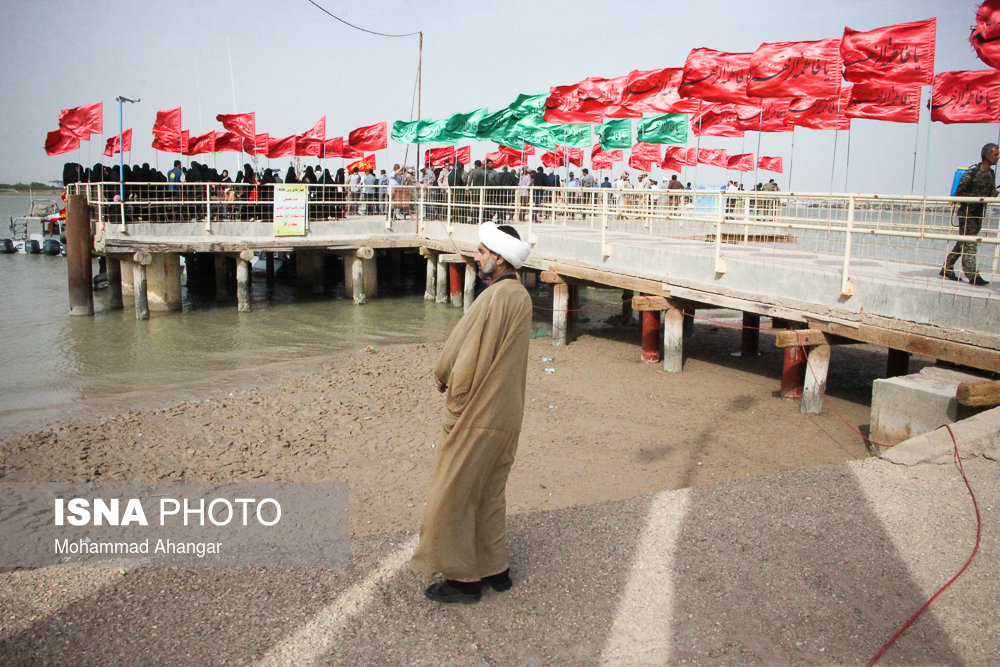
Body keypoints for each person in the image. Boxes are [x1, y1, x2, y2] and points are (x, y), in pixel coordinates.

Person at [411, 221, 532, 603]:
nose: (477, 257)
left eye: (482, 252)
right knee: (489, 493)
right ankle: (496, 570)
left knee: (453, 492)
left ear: (498, 258)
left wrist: (448, 390)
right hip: (507, 412)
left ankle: (464, 581)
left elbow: (464, 354)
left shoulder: (493, 298)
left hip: (479, 412)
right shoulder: (521, 297)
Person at [942, 143, 997, 286]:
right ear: (986, 155)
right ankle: (973, 276)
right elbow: (960, 193)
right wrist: (979, 195)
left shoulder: (991, 174)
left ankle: (947, 268)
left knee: (963, 242)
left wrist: (992, 195)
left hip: (979, 213)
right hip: (968, 213)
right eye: (995, 154)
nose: (998, 157)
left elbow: (988, 193)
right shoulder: (971, 173)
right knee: (970, 243)